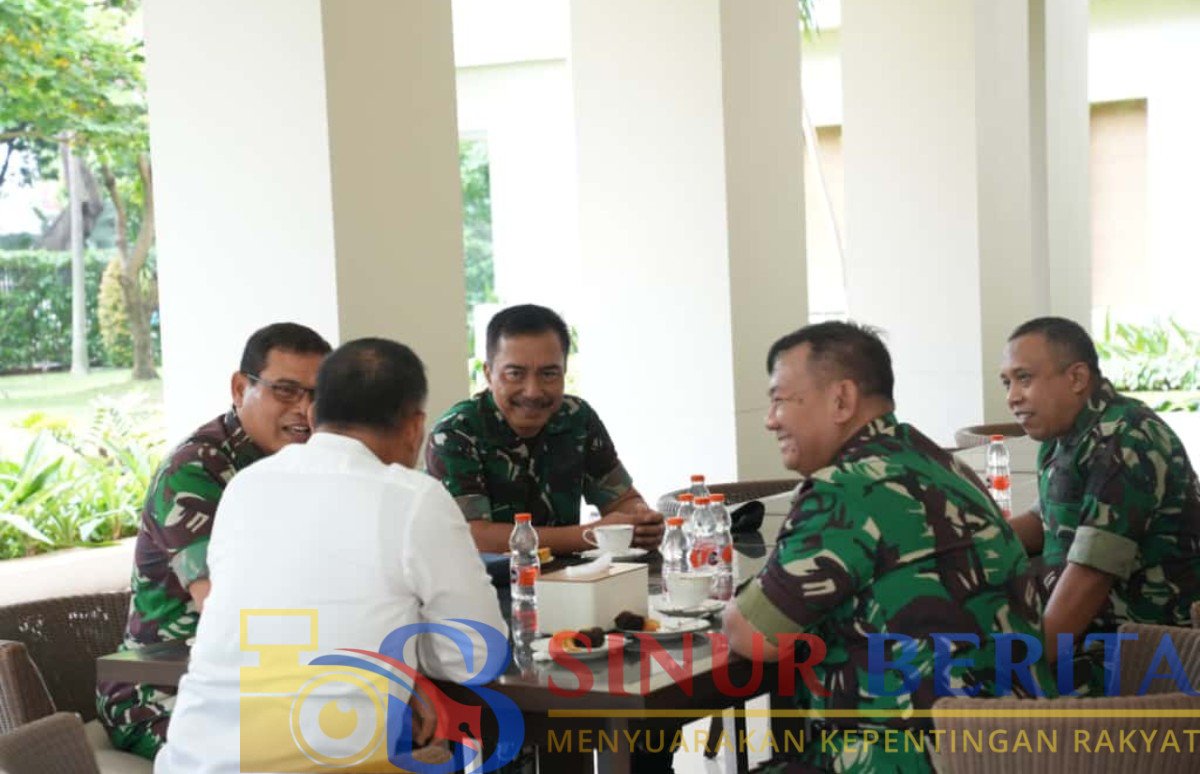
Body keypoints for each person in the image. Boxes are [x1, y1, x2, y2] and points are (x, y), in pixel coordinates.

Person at [157, 338, 508, 772]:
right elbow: (477, 657)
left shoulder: (245, 487)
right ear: (415, 426)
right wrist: (410, 646)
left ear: (312, 414)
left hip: (193, 762)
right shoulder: (414, 499)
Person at [722, 321, 1052, 773]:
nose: (770, 419)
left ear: (841, 399)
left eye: (780, 399)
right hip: (1018, 752)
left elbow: (754, 636)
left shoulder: (846, 488)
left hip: (907, 758)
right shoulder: (941, 462)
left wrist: (734, 605)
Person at [96, 322, 331, 759]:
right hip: (165, 689)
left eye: (318, 395)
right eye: (286, 391)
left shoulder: (311, 466)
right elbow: (222, 608)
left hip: (262, 677)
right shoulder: (195, 472)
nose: (304, 409)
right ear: (240, 388)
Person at [999, 316, 1200, 651]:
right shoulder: (1065, 433)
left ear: (1077, 378)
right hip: (1084, 622)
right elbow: (1043, 520)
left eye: (1024, 378)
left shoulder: (1126, 439)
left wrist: (1026, 666)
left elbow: (1091, 575)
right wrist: (973, 545)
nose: (1012, 397)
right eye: (1007, 383)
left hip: (1138, 647)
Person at [426, 303, 664, 554]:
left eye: (548, 374)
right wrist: (590, 535)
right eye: (515, 374)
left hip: (570, 575)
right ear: (488, 373)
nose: (533, 391)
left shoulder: (576, 417)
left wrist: (640, 521)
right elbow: (473, 536)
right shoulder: (456, 432)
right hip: (486, 577)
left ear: (564, 372)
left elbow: (622, 499)